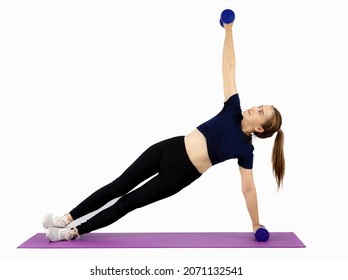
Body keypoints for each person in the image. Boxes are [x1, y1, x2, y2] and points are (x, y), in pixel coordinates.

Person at [42, 14, 285, 242]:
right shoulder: (233, 108)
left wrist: (256, 224)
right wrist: (229, 30)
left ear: (260, 129)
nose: (254, 108)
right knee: (118, 185)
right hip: (169, 148)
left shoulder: (245, 150)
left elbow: (249, 189)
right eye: (259, 105)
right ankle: (67, 217)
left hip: (179, 175)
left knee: (128, 202)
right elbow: (228, 68)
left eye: (260, 112)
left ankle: (72, 232)